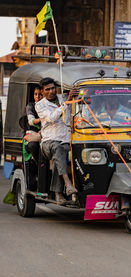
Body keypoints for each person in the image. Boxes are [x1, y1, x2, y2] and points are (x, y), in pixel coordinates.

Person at [35, 77, 78, 205]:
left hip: (66, 141)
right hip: (49, 142)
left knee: (59, 157)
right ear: (42, 92)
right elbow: (52, 118)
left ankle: (60, 193)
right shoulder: (40, 105)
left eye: (53, 88)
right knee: (58, 149)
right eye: (47, 89)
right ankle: (66, 184)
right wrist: (67, 102)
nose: (51, 91)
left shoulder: (63, 98)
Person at [24, 85, 43, 162]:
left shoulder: (48, 105)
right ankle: (39, 164)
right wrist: (43, 119)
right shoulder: (30, 106)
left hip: (47, 134)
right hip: (34, 136)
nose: (38, 96)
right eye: (35, 94)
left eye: (40, 94)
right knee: (33, 145)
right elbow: (31, 121)